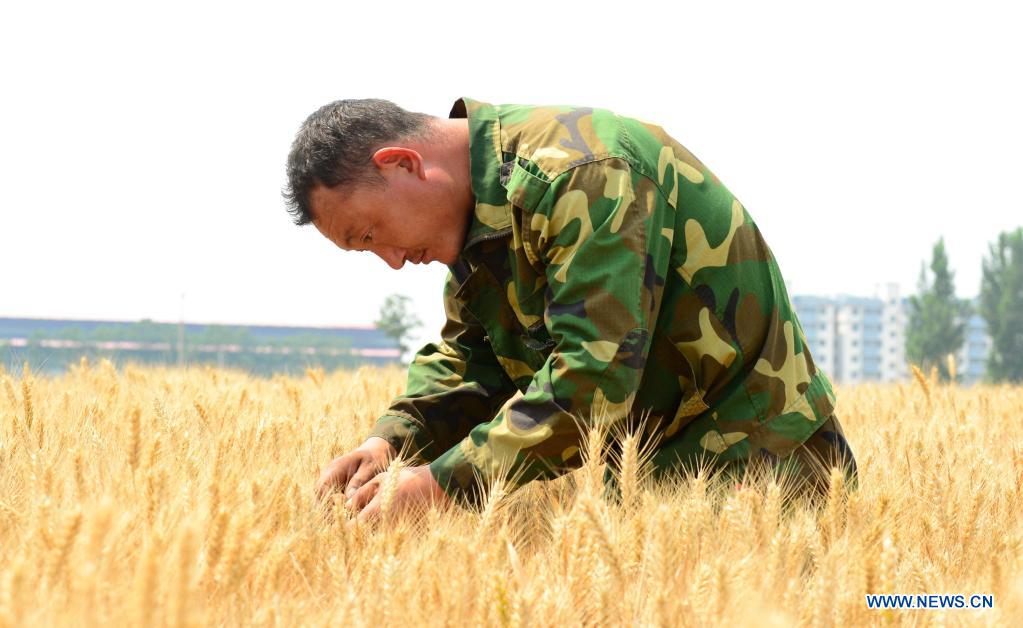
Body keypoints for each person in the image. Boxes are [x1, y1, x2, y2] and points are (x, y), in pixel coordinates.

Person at [285, 98, 857, 522]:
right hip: (653, 489)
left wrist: (438, 486)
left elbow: (593, 376)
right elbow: (471, 360)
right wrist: (390, 443)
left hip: (761, 475)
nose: (389, 261)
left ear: (402, 163)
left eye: (370, 233)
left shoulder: (583, 175)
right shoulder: (477, 219)